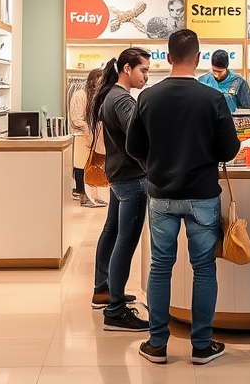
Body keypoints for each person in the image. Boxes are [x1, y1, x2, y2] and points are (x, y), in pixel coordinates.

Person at [126, 29, 239, 366]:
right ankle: (201, 346)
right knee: (203, 268)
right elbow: (230, 149)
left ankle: (157, 344)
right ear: (199, 59)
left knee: (161, 267)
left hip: (161, 194)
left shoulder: (148, 97)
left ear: (168, 57)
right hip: (203, 194)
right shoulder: (212, 98)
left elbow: (134, 147)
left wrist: (155, 165)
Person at [89, 48, 151, 331]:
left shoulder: (109, 97)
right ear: (127, 69)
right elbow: (137, 137)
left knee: (112, 231)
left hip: (118, 176)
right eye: (143, 70)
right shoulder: (122, 100)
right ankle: (115, 310)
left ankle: (105, 290)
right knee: (125, 241)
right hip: (132, 178)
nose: (146, 77)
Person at [68, 70, 106, 207]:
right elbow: (77, 119)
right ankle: (83, 195)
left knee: (94, 166)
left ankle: (93, 195)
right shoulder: (80, 95)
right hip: (82, 137)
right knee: (81, 165)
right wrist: (89, 132)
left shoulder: (98, 97)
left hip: (96, 137)